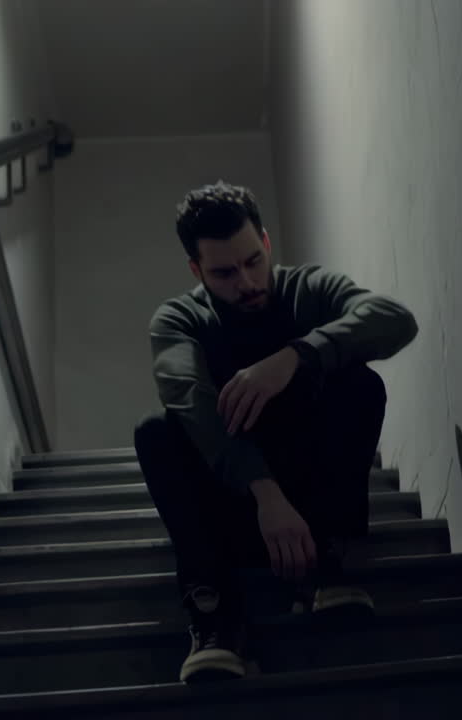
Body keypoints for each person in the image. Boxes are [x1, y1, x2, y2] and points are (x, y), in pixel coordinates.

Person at [133, 181, 418, 683]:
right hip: (237, 508)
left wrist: (294, 357)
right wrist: (263, 490)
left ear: (265, 244)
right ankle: (214, 614)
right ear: (197, 271)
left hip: (311, 508)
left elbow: (395, 320)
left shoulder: (305, 289)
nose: (246, 281)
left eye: (252, 261)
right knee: (159, 432)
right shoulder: (180, 318)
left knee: (358, 384)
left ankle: (328, 560)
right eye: (224, 272)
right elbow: (187, 399)